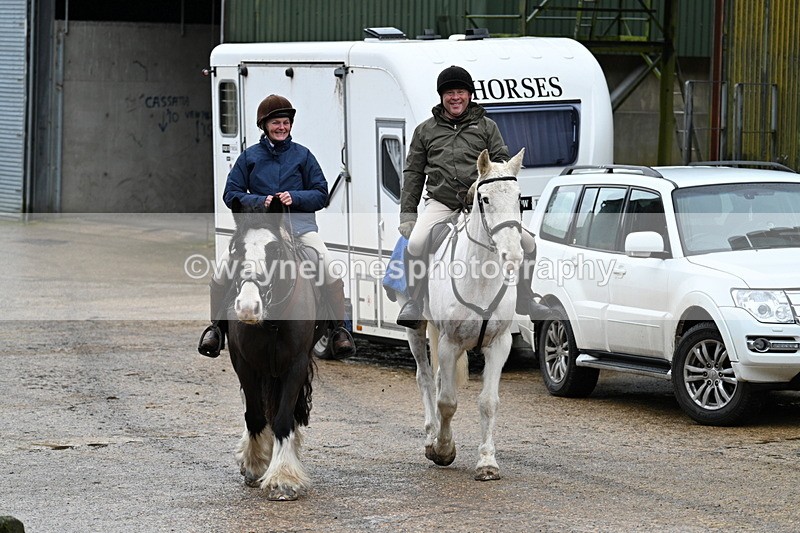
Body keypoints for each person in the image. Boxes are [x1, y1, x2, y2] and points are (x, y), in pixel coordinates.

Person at [198, 94, 354, 358]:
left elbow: (321, 193)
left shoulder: (303, 156)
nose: (281, 127)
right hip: (258, 231)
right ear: (264, 126)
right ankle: (216, 329)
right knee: (222, 271)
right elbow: (231, 193)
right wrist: (261, 200)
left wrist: (295, 197)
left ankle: (339, 331)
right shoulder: (249, 157)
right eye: (276, 123)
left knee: (329, 270)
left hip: (299, 230)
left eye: (285, 123)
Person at [396, 65, 544, 328]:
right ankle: (415, 301)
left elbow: (500, 162)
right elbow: (413, 174)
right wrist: (408, 215)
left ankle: (525, 296)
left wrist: (484, 186)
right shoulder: (425, 131)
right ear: (442, 96)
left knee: (529, 244)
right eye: (450, 92)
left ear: (470, 94)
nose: (455, 97)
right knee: (416, 244)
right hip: (442, 202)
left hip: (480, 203)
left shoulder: (487, 127)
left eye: (461, 92)